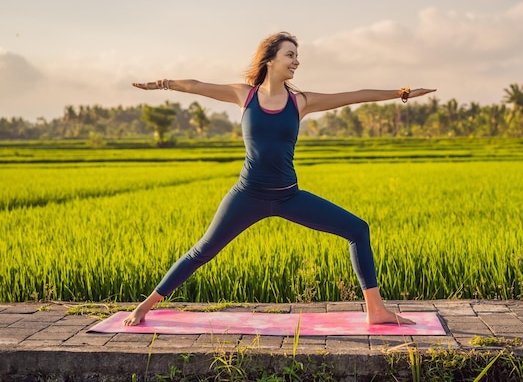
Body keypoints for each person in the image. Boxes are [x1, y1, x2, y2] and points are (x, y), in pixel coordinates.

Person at [123, 31, 436, 326]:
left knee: (357, 229)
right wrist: (161, 84)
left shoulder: (301, 101)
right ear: (270, 60)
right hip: (247, 196)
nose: (296, 61)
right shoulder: (243, 95)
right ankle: (144, 306)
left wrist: (402, 92)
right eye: (290, 55)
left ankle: (376, 310)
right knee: (202, 251)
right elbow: (194, 84)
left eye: (297, 56)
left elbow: (355, 96)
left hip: (289, 196)